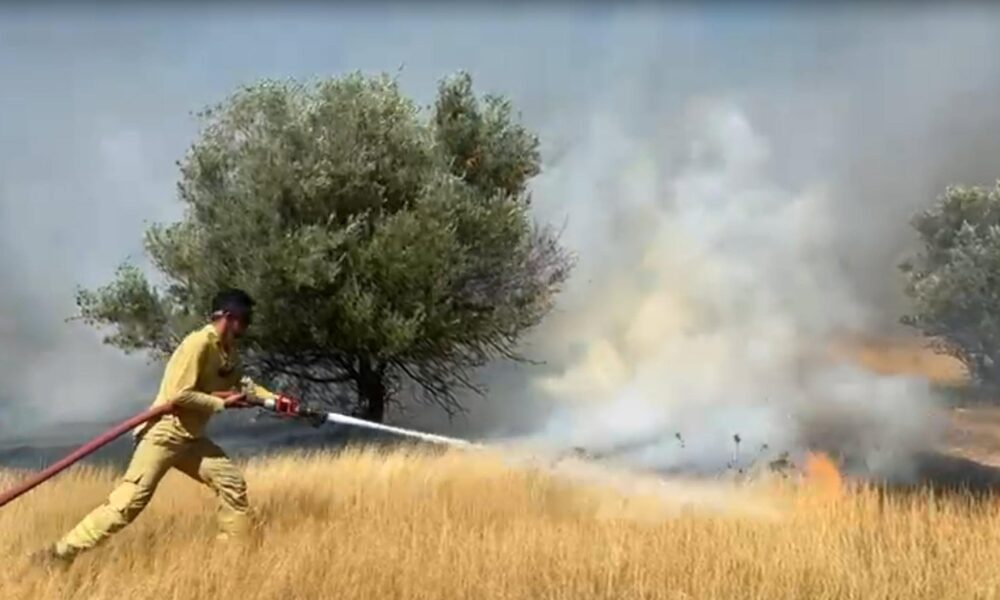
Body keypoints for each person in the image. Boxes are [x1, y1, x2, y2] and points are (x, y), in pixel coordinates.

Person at [33, 288, 278, 568]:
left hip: (191, 438)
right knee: (128, 504)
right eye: (245, 318)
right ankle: (58, 555)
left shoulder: (228, 352)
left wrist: (274, 399)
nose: (248, 324)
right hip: (164, 434)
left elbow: (243, 385)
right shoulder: (197, 344)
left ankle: (237, 558)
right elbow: (180, 395)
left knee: (231, 483)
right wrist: (221, 404)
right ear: (229, 316)